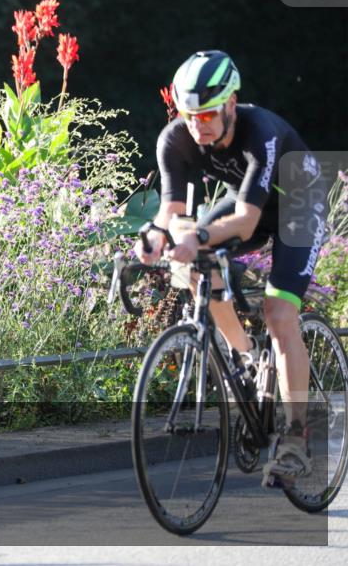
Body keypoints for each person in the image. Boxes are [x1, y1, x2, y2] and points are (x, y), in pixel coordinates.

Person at [135, 50, 328, 484]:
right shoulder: (176, 139)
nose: (197, 126)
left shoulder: (260, 131)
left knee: (279, 314)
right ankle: (246, 356)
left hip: (298, 206)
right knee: (200, 267)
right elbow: (171, 210)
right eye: (189, 116)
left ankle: (296, 440)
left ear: (230, 103)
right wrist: (152, 238)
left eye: (206, 115)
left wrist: (197, 236)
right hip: (248, 204)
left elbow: (245, 220)